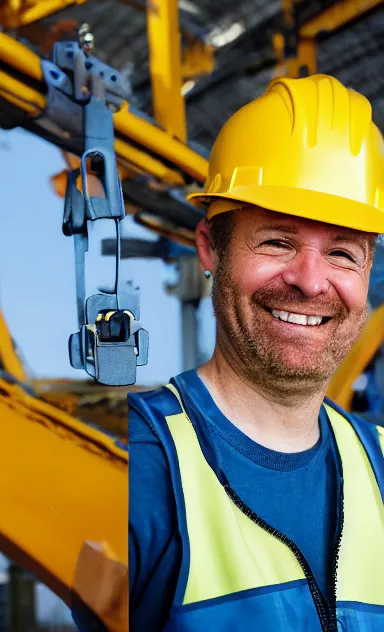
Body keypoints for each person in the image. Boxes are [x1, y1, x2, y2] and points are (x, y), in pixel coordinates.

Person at [129, 74, 384, 631]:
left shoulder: (383, 465)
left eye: (343, 253)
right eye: (277, 240)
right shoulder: (138, 463)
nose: (310, 282)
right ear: (209, 248)